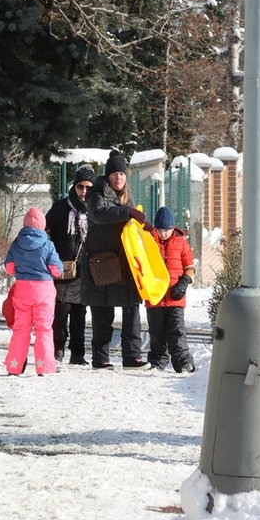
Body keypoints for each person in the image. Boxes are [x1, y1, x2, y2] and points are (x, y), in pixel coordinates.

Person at [81, 149, 153, 370]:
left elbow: (130, 225)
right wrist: (128, 213)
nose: (118, 178)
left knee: (132, 308)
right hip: (101, 263)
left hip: (124, 263)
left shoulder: (126, 197)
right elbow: (99, 214)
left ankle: (132, 356)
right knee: (103, 312)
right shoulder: (97, 194)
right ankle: (101, 358)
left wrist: (145, 227)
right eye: (114, 174)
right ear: (108, 175)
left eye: (121, 174)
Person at [3, 207, 62, 376]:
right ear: (42, 225)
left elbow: (9, 267)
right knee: (44, 329)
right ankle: (44, 366)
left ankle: (14, 365)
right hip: (43, 292)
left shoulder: (16, 243)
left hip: (22, 291)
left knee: (21, 329)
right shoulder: (48, 245)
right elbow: (56, 269)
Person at [45, 166, 95, 365]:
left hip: (84, 270)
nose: (83, 192)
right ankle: (58, 348)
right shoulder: (60, 208)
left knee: (80, 314)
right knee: (60, 311)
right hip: (62, 268)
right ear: (74, 187)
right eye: (80, 187)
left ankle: (78, 353)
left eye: (88, 188)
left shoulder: (94, 210)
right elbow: (46, 231)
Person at [146, 206, 196, 373]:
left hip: (175, 296)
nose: (163, 233)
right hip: (155, 297)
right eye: (160, 230)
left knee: (177, 330)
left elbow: (189, 267)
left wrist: (184, 283)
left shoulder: (181, 243)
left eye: (167, 230)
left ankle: (183, 361)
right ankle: (157, 361)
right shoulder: (149, 242)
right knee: (156, 331)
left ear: (173, 228)